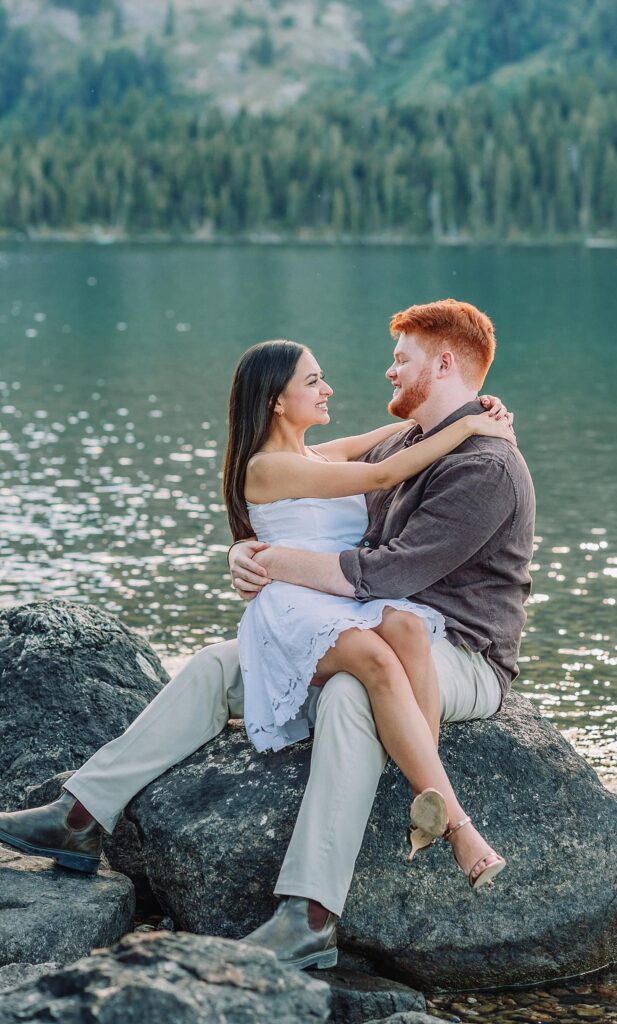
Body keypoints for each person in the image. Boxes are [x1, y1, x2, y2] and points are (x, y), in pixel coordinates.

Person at [0, 298, 535, 974]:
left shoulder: (483, 467)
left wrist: (277, 563)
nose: (389, 371)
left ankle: (310, 913)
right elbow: (310, 505)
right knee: (215, 668)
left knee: (348, 694)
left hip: (459, 650)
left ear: (445, 362)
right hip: (370, 623)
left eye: (402, 360)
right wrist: (246, 552)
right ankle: (80, 814)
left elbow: (389, 570)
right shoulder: (405, 441)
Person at [228, 339, 515, 891]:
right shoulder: (266, 466)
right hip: (296, 603)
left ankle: (423, 790)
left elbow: (391, 440)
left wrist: (469, 411)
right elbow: (384, 476)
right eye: (312, 382)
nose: (327, 388)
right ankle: (456, 826)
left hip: (335, 598)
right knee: (380, 665)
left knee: (408, 627)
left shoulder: (317, 454)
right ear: (275, 402)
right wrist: (467, 431)